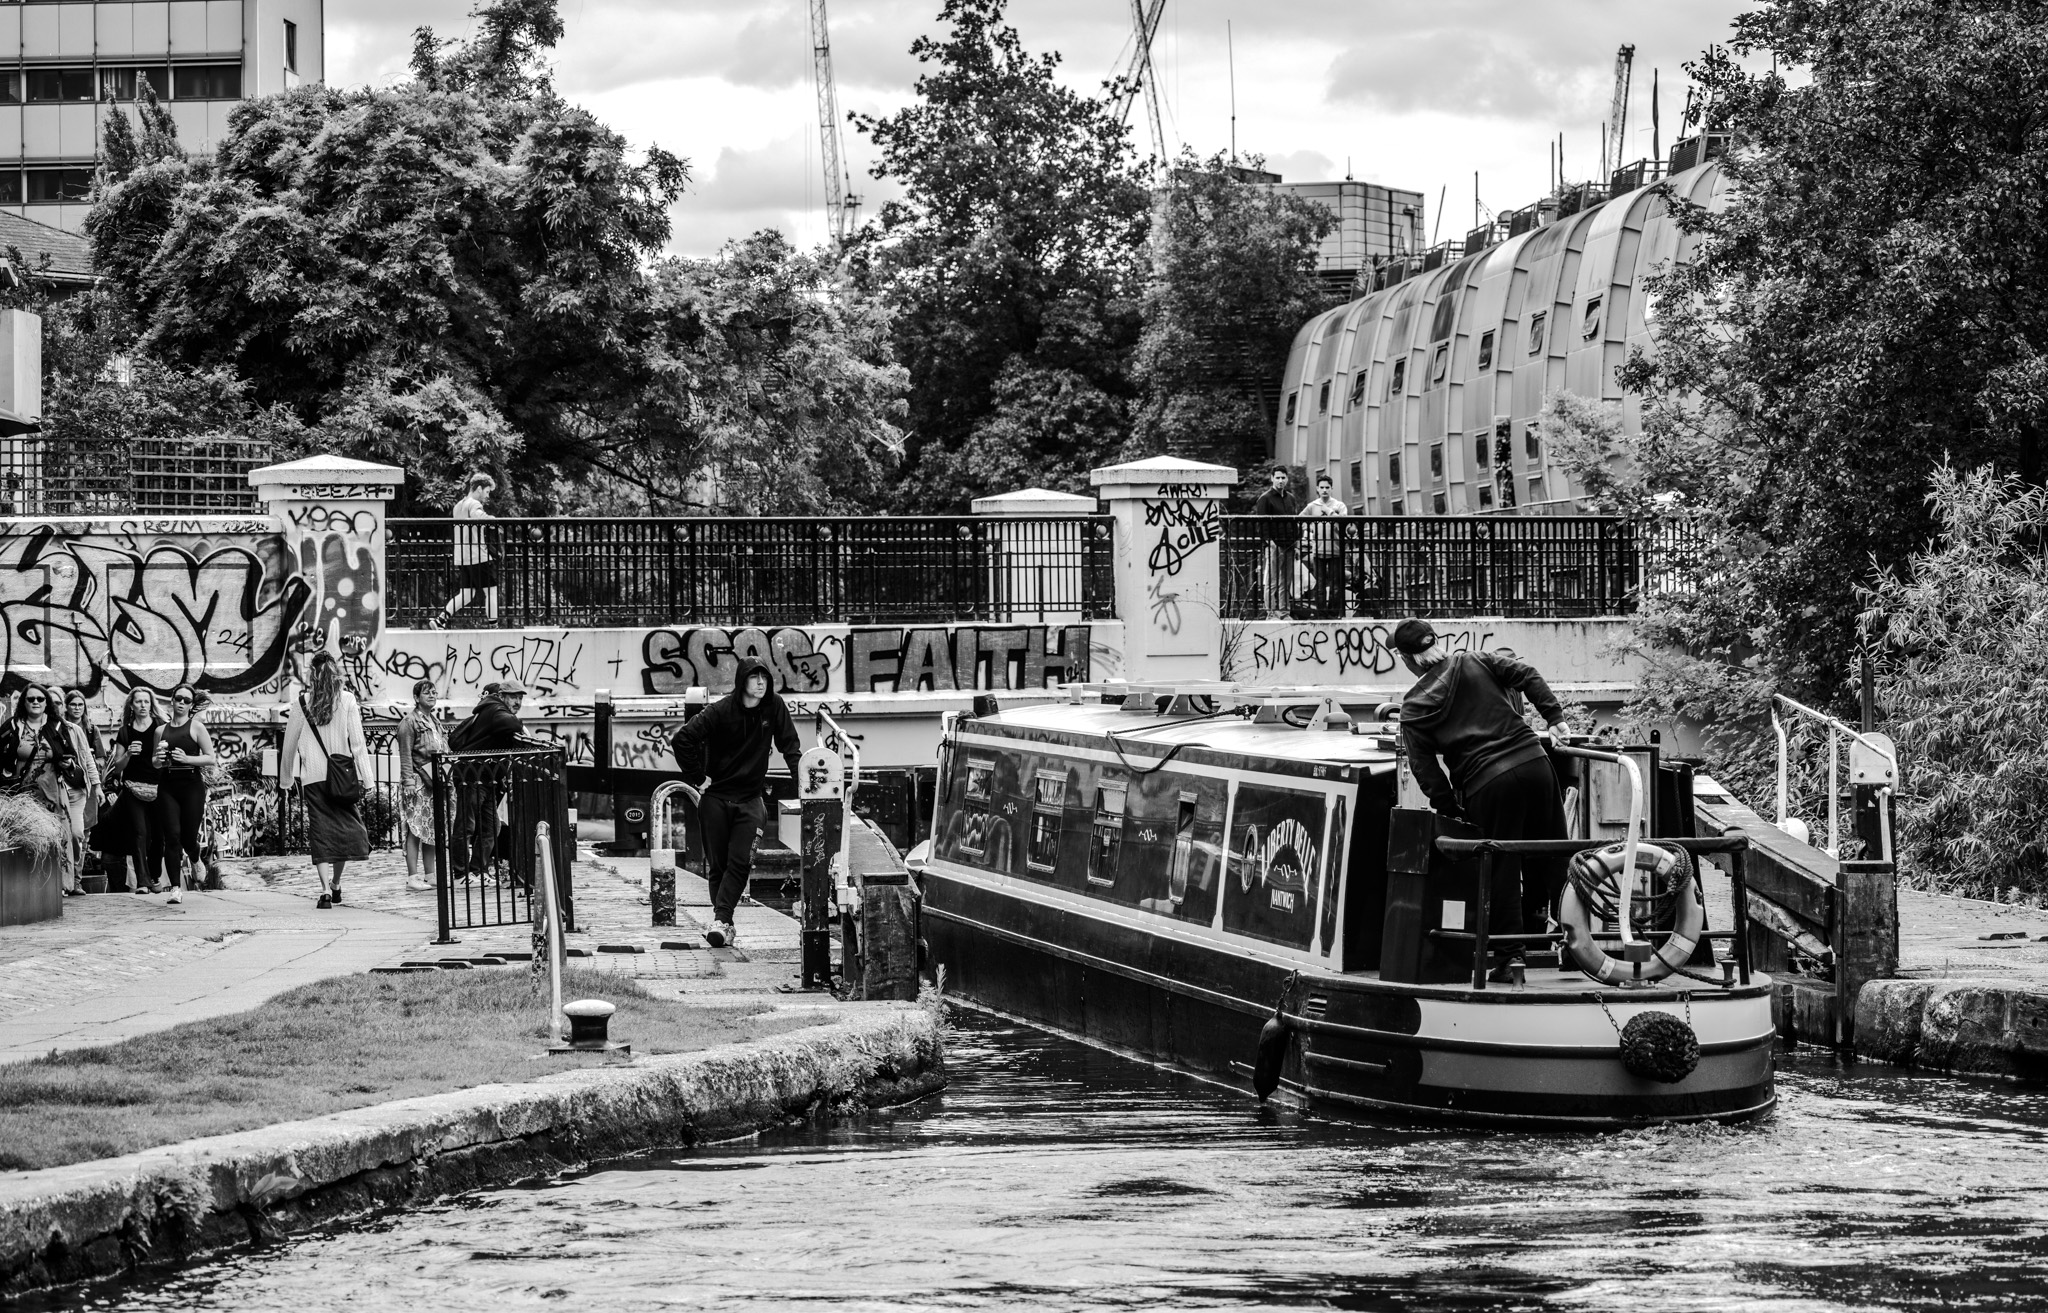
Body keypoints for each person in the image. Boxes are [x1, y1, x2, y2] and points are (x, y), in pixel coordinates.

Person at [1393, 618, 1574, 954]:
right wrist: (1555, 718)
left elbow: (1424, 769)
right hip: (1535, 763)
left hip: (1487, 783)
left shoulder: (1413, 706)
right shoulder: (1475, 660)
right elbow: (1527, 674)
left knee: (1500, 869)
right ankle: (1577, 948)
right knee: (1555, 858)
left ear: (1405, 659)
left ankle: (1510, 959)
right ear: (1436, 644)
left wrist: (1451, 808)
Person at [669, 658, 801, 949]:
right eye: (754, 677)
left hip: (751, 801)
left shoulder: (774, 706)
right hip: (715, 799)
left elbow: (790, 747)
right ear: (742, 681)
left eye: (765, 677)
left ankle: (720, 921)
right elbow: (683, 740)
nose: (761, 683)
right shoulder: (720, 711)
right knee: (718, 867)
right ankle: (724, 925)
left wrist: (804, 786)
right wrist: (697, 777)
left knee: (741, 862)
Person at [280, 653, 371, 909]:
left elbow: (289, 745)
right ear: (335, 673)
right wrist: (368, 779)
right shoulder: (347, 700)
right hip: (342, 778)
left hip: (313, 779)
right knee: (344, 833)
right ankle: (336, 883)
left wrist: (286, 779)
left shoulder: (301, 703)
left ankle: (324, 891)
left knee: (320, 834)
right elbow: (358, 744)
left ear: (312, 674)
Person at [446, 677, 533, 887]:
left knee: (491, 827)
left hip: (486, 777)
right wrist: (521, 728)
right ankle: (460, 874)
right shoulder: (494, 709)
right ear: (502, 696)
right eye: (513, 697)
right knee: (466, 826)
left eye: (520, 698)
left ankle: (478, 870)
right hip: (472, 776)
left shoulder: (494, 709)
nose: (517, 702)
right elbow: (511, 723)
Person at [0, 686, 75, 890]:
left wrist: (68, 762)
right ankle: (30, 886)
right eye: (31, 698)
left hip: (52, 791)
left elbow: (70, 753)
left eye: (40, 699)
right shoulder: (13, 725)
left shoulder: (56, 725)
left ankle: (60, 886)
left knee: (58, 835)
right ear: (23, 702)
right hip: (22, 793)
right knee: (27, 836)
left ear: (46, 702)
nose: (35, 702)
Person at [151, 684, 218, 906]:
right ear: (172, 700)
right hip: (167, 785)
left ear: (191, 705)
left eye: (186, 700)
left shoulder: (196, 727)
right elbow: (154, 762)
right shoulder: (160, 731)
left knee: (188, 837)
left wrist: (187, 759)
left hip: (191, 786)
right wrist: (159, 759)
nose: (181, 703)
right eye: (178, 698)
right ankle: (175, 888)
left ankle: (195, 857)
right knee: (172, 836)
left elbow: (210, 758)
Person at [102, 688, 163, 895]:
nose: (143, 705)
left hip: (158, 788)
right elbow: (117, 768)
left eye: (146, 701)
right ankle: (143, 882)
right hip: (132, 788)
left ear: (151, 704)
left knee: (158, 836)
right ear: (132, 705)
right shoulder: (125, 732)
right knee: (139, 834)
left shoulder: (160, 727)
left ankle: (154, 875)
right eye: (138, 702)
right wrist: (128, 754)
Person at [395, 678, 448, 891]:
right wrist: (408, 782)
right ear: (416, 698)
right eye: (427, 693)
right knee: (415, 829)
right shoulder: (409, 722)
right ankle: (412, 877)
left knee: (430, 828)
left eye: (434, 692)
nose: (432, 695)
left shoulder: (434, 721)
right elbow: (405, 754)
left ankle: (430, 875)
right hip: (417, 781)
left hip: (433, 781)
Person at [430, 473, 499, 629]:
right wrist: (493, 520)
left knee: (467, 594)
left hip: (462, 557)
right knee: (491, 592)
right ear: (479, 488)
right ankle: (494, 627)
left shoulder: (458, 506)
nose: (487, 496)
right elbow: (480, 517)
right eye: (487, 491)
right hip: (478, 556)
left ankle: (441, 620)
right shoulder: (474, 504)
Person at [55, 688, 101, 894]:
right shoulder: (44, 729)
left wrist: (97, 785)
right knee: (59, 836)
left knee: (78, 834)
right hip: (54, 789)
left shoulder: (83, 730)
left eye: (80, 704)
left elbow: (91, 759)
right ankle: (62, 882)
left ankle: (75, 880)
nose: (76, 708)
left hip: (78, 788)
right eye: (72, 704)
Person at [1251, 467, 1302, 620]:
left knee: (1286, 582)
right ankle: (1271, 613)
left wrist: (1296, 544)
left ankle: (1284, 613)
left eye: (1283, 478)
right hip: (1274, 545)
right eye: (1278, 477)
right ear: (1272, 478)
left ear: (1287, 479)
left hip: (1289, 544)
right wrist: (1269, 542)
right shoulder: (1265, 498)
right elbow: (1262, 524)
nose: (1280, 481)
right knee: (1272, 581)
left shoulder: (1290, 498)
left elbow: (1294, 522)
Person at [1299, 473, 1349, 618]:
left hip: (1336, 550)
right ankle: (1321, 614)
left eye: (1327, 487)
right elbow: (1299, 519)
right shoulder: (1312, 506)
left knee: (1335, 586)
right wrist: (1307, 530)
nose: (1325, 490)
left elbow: (1344, 524)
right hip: (1318, 551)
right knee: (1319, 586)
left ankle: (1333, 614)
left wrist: (1329, 512)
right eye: (1322, 487)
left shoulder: (1339, 505)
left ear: (1332, 488)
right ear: (1317, 489)